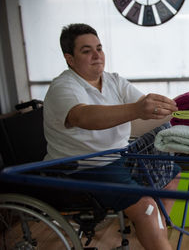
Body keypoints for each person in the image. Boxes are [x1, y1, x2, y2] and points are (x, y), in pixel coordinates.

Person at [43, 23, 180, 250]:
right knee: (147, 207)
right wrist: (137, 109)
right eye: (87, 51)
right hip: (82, 167)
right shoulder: (63, 87)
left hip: (117, 157)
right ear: (70, 58)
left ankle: (154, 232)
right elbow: (82, 116)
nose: (97, 55)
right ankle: (150, 224)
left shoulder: (113, 80)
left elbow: (149, 110)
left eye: (99, 48)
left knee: (172, 176)